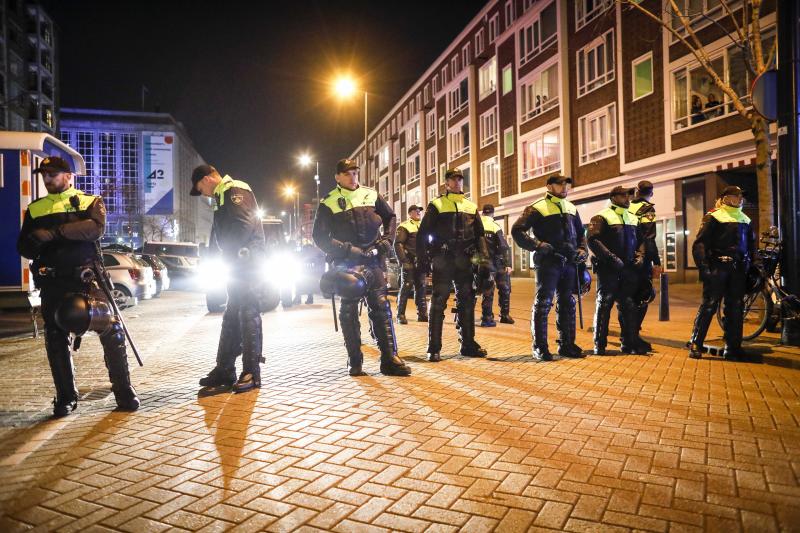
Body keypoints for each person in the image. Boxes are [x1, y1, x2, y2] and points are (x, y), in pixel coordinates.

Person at [17, 157, 139, 416]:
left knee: (112, 331)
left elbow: (95, 229)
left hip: (87, 280)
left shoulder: (89, 201)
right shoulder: (35, 209)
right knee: (55, 338)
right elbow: (24, 247)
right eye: (44, 174)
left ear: (68, 176)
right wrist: (33, 242)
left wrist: (53, 233)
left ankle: (124, 391)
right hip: (53, 282)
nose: (47, 179)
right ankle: (65, 398)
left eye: (52, 174)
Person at [313, 159, 411, 377]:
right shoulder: (328, 202)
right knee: (349, 311)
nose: (353, 177)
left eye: (355, 173)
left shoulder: (371, 194)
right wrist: (347, 250)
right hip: (346, 263)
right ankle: (355, 360)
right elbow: (319, 236)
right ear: (337, 177)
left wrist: (387, 241)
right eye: (347, 174)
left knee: (381, 308)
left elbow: (391, 217)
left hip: (373, 260)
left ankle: (390, 359)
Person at [190, 164, 266, 392]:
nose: (203, 194)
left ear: (206, 179)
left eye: (200, 189)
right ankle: (225, 369)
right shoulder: (222, 196)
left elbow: (243, 227)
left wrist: (226, 252)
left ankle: (251, 372)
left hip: (248, 264)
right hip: (238, 264)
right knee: (232, 316)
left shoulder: (235, 190)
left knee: (248, 314)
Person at [511, 175, 587, 361]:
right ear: (549, 186)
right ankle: (540, 347)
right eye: (559, 184)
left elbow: (581, 233)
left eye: (566, 184)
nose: (564, 187)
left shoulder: (571, 207)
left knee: (568, 303)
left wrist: (582, 249)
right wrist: (537, 245)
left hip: (569, 263)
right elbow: (517, 230)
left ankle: (567, 344)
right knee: (543, 303)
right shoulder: (537, 207)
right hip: (548, 263)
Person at [417, 168, 490, 361]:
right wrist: (424, 259)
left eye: (459, 179)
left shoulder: (470, 206)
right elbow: (423, 233)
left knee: (467, 302)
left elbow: (479, 235)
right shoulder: (437, 205)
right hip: (444, 260)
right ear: (446, 183)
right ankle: (433, 348)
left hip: (465, 262)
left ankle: (468, 345)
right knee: (438, 302)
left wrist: (483, 260)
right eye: (453, 179)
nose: (457, 182)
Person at [689, 186, 760, 360]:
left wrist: (754, 266)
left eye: (741, 196)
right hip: (718, 267)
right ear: (726, 198)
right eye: (736, 196)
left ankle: (733, 347)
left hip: (739, 270)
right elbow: (700, 244)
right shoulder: (714, 216)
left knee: (736, 307)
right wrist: (704, 268)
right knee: (709, 305)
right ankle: (696, 344)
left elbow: (751, 246)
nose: (740, 199)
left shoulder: (745, 219)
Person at [587, 185, 646, 355]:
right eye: (624, 195)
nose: (628, 198)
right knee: (604, 304)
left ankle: (629, 343)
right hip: (608, 269)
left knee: (628, 305)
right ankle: (599, 345)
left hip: (629, 269)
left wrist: (640, 255)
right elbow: (592, 240)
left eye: (629, 195)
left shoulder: (633, 217)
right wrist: (611, 258)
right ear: (613, 197)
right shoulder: (601, 216)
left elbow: (641, 240)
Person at [626, 180, 662, 353]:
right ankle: (633, 337)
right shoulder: (647, 210)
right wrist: (657, 261)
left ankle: (627, 336)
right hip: (642, 260)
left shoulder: (627, 207)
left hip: (626, 257)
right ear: (651, 193)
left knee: (628, 297)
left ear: (636, 192)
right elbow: (649, 237)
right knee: (643, 296)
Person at [479, 204, 513, 327]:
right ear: (493, 213)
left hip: (482, 264)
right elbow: (503, 246)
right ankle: (505, 316)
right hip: (497, 263)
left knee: (487, 291)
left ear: (483, 213)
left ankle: (487, 317)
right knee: (505, 288)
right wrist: (508, 263)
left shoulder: (476, 226)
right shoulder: (495, 226)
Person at [394, 204, 428, 324]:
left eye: (419, 210)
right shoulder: (404, 226)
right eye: (416, 210)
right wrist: (404, 261)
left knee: (421, 287)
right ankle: (400, 315)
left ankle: (422, 314)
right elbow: (398, 244)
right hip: (409, 261)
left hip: (421, 262)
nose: (418, 212)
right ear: (410, 213)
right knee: (406, 287)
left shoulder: (423, 226)